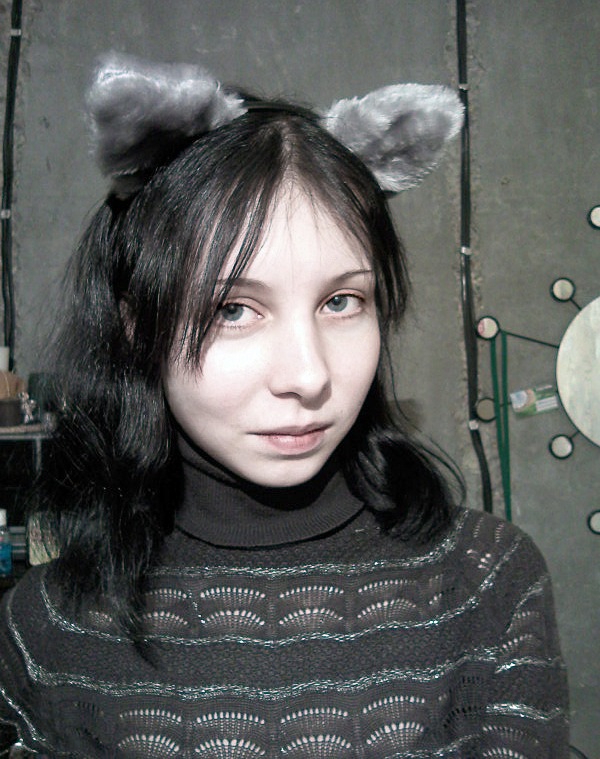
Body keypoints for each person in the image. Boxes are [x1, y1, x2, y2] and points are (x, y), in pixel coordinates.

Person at [0, 53, 568, 757]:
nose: (309, 374)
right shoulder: (47, 629)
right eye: (234, 309)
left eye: (342, 301)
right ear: (137, 326)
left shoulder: (486, 582)